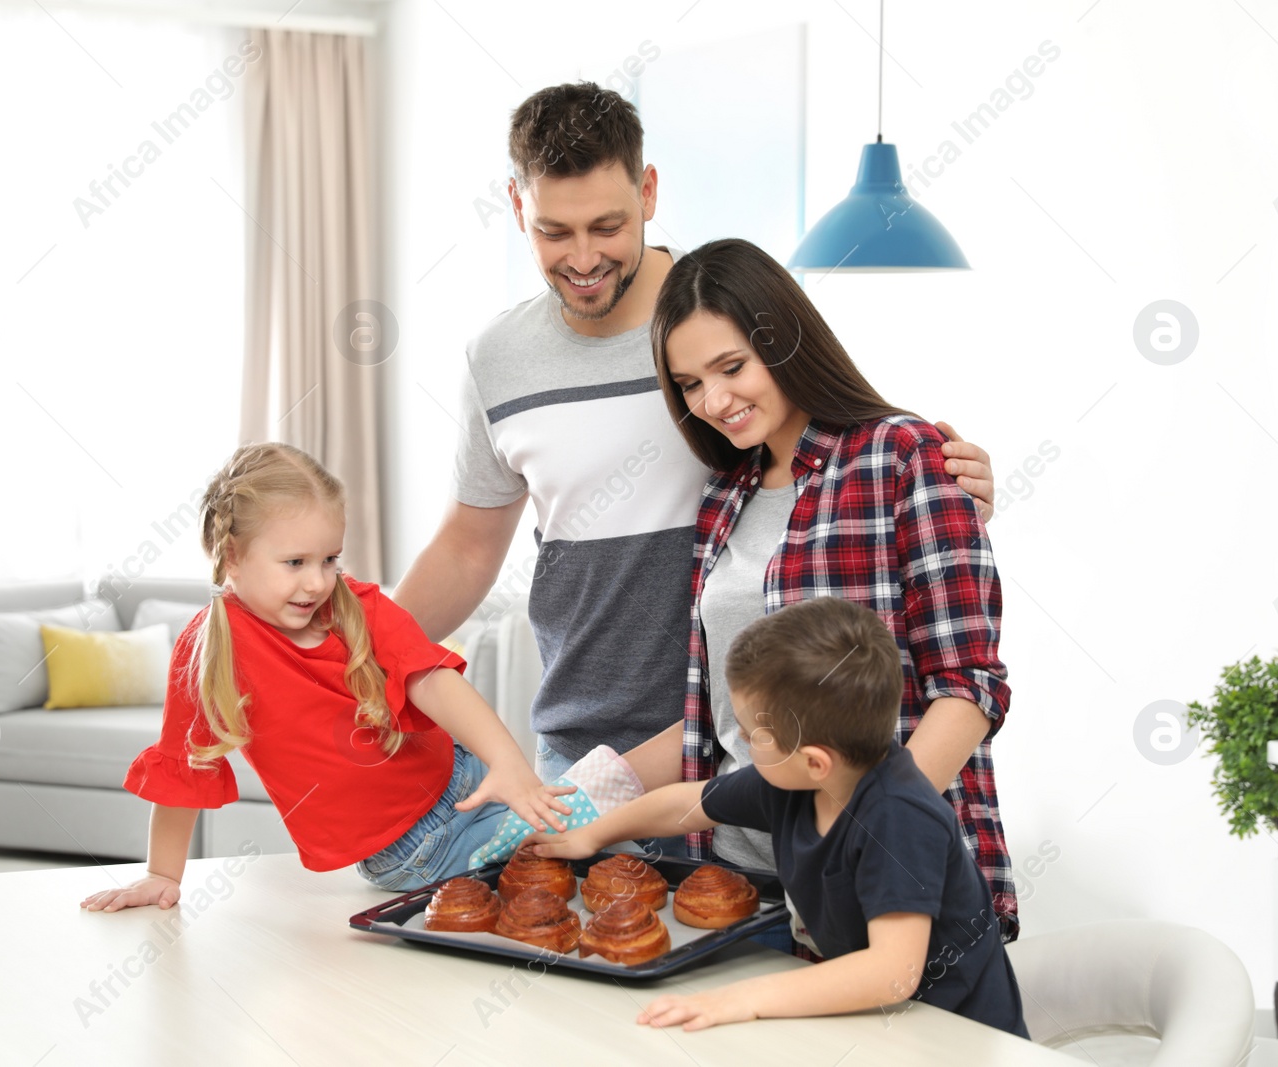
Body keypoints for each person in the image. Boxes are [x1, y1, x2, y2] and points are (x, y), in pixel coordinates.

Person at [391, 82, 997, 793]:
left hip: (737, 744)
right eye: (554, 231)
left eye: (607, 226)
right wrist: (353, 654)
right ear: (517, 206)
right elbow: (467, 546)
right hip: (586, 749)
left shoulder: (719, 316)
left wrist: (942, 495)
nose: (583, 258)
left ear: (648, 192)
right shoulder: (496, 359)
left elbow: (843, 454)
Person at [78, 442, 643, 913]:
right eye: (295, 563)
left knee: (615, 820)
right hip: (417, 848)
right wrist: (161, 874)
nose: (318, 582)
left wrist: (509, 764)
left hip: (467, 780)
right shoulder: (208, 651)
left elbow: (432, 680)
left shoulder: (359, 606)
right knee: (596, 844)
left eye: (330, 559)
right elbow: (184, 768)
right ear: (232, 555)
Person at [648, 237, 1018, 941]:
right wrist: (578, 793)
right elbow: (717, 716)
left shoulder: (903, 458)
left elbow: (968, 688)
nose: (715, 399)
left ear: (783, 341)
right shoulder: (723, 497)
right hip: (739, 878)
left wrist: (864, 833)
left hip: (880, 880)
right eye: (691, 383)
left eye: (732, 366)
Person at [531, 597, 1028, 1038]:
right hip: (879, 1027)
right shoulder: (791, 784)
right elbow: (685, 805)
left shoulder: (899, 818)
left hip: (959, 1035)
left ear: (815, 760)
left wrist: (745, 999)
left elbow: (892, 973)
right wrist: (590, 834)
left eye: (754, 735)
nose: (742, 743)